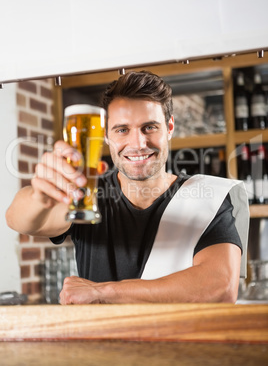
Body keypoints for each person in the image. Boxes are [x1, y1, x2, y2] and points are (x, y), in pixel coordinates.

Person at [6, 71, 249, 305]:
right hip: (102, 347)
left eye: (150, 127)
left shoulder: (208, 197)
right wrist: (41, 195)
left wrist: (103, 292)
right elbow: (20, 221)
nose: (138, 143)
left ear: (170, 128)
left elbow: (220, 287)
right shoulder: (88, 195)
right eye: (122, 130)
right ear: (106, 136)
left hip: (178, 347)